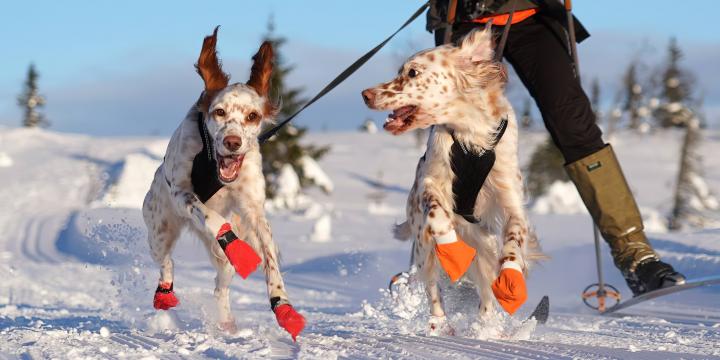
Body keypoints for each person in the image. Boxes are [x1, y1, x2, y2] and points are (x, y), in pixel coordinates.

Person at [426, 0, 685, 296]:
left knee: (576, 127)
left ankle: (637, 258)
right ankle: (460, 267)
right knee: (459, 137)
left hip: (533, 16)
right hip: (463, 17)